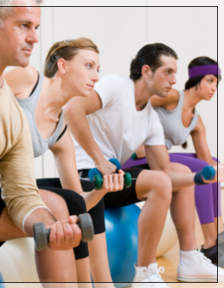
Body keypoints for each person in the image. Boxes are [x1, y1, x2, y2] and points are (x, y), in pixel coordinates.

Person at [0, 1, 87, 286]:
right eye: (24, 25)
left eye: (36, 28)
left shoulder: (13, 115)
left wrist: (52, 228)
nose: (35, 37)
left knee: (56, 209)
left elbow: (22, 195)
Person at [64, 43, 224, 286]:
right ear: (147, 71)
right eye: (168, 72)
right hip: (87, 177)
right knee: (160, 182)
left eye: (175, 73)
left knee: (182, 170)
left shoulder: (150, 118)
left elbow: (165, 170)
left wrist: (202, 177)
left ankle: (190, 258)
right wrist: (100, 160)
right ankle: (144, 273)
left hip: (114, 179)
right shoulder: (117, 86)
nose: (173, 80)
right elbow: (72, 109)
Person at [0, 37, 125, 287]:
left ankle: (99, 284)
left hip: (12, 190)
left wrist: (101, 191)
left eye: (98, 69)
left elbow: (77, 199)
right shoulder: (27, 80)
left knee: (80, 195)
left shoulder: (61, 130)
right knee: (71, 200)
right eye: (89, 66)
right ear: (63, 66)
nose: (96, 76)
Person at [123, 56, 223, 267]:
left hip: (161, 161)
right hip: (138, 159)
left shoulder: (197, 121)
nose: (214, 87)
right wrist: (138, 138)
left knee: (214, 164)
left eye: (217, 82)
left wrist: (219, 169)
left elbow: (206, 159)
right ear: (196, 79)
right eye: (210, 80)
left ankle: (219, 234)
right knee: (204, 170)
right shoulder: (172, 98)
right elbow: (137, 104)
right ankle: (211, 245)